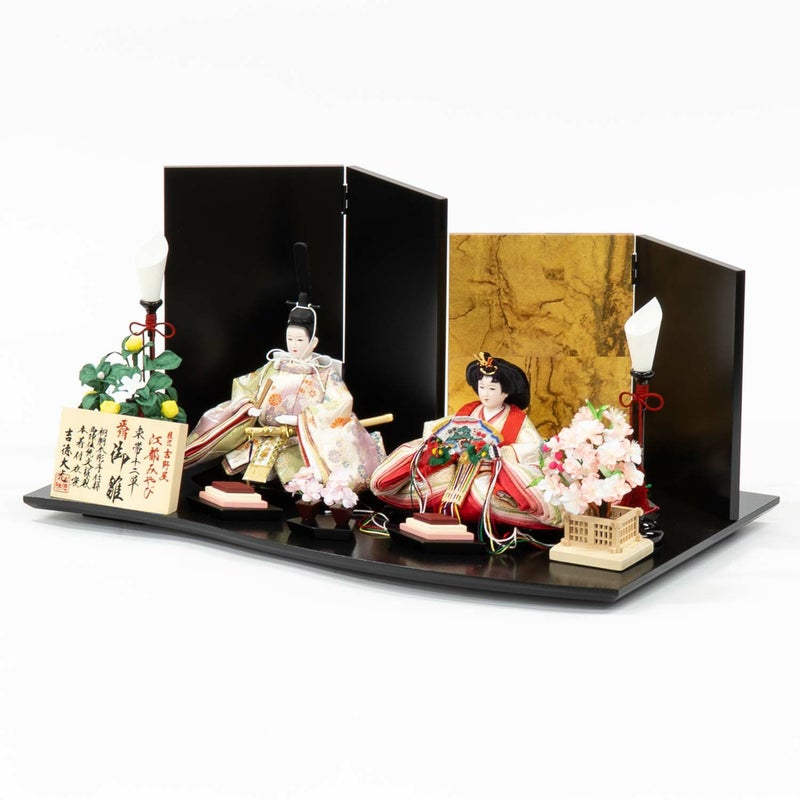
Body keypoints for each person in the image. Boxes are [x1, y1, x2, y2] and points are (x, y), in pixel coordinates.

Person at [183, 302, 382, 491]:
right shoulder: (274, 366)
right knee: (229, 471)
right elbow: (246, 385)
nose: (293, 345)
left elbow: (340, 402)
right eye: (290, 339)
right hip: (261, 436)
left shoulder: (324, 374)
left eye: (300, 340)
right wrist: (249, 406)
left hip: (298, 442)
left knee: (296, 482)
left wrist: (302, 420)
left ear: (313, 342)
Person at [369, 352, 561, 532]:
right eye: (482, 387)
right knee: (425, 482)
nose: (485, 394)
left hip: (490, 474)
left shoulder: (517, 420)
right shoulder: (469, 411)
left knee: (486, 495)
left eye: (492, 389)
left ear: (505, 393)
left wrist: (499, 454)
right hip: (456, 471)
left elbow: (533, 448)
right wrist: (443, 445)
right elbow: (438, 428)